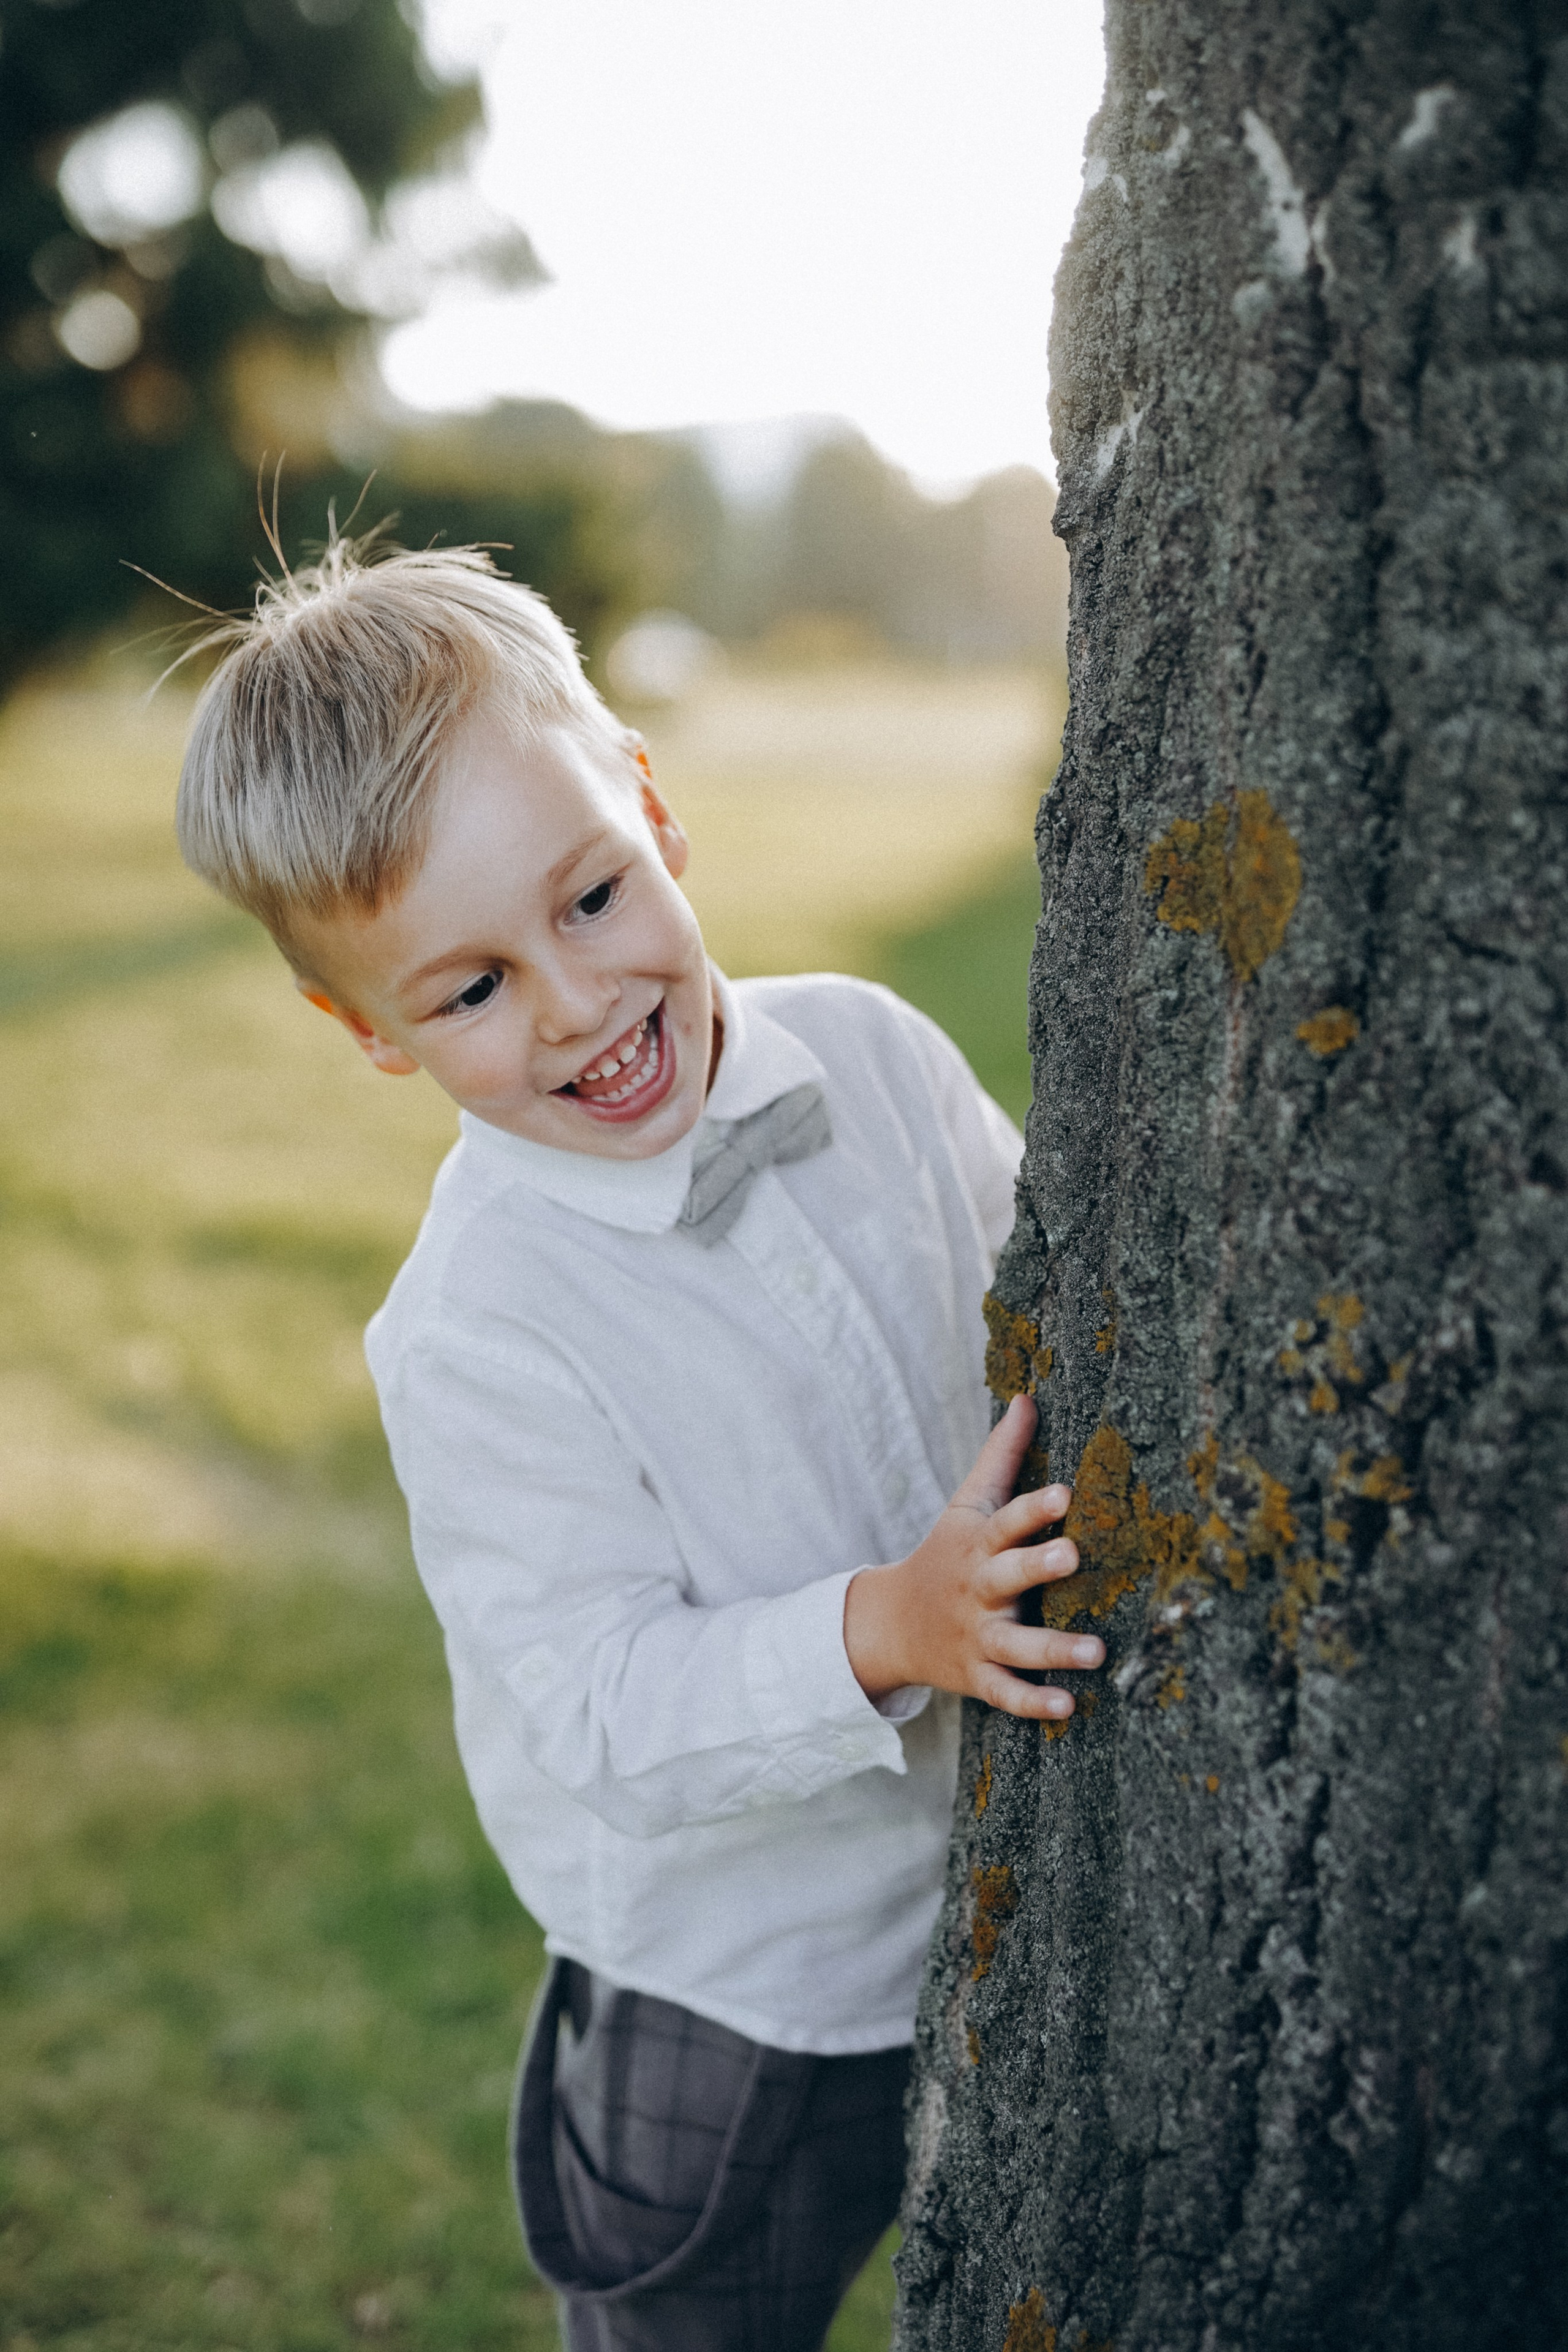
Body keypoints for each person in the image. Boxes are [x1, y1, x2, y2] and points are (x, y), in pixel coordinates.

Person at [175, 537, 1102, 2352]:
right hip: (737, 1991)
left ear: (652, 809)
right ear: (365, 1028)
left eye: (592, 898)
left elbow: (1055, 1317)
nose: (577, 1005)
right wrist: (883, 1629)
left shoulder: (878, 1056)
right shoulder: (479, 1329)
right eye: (470, 991)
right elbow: (597, 1703)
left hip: (1011, 1882)